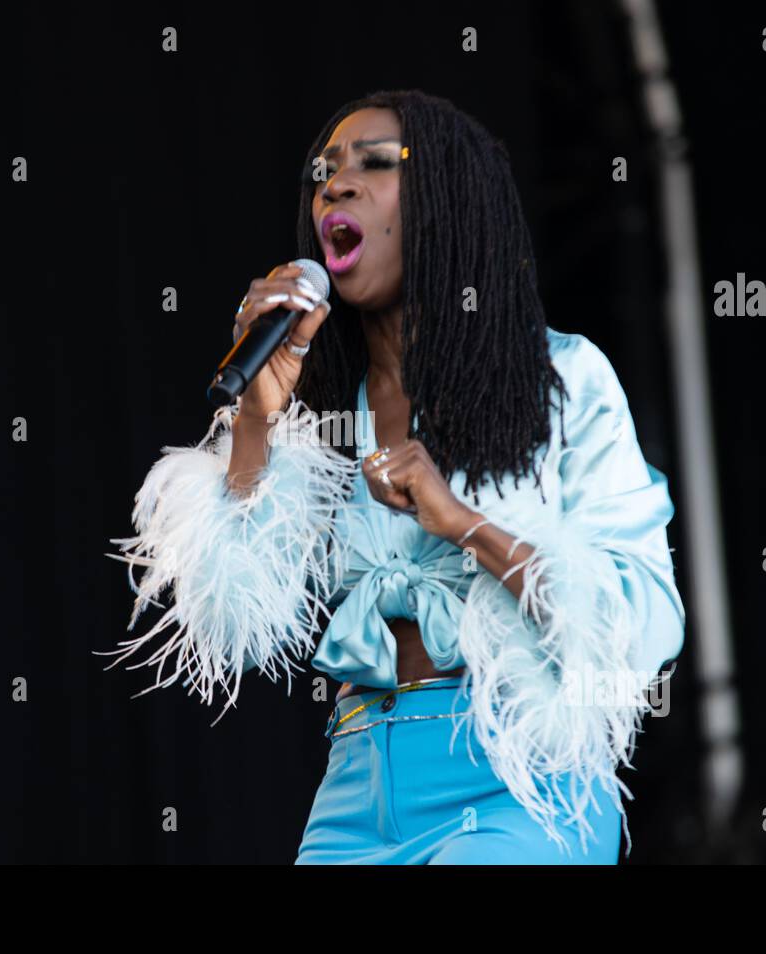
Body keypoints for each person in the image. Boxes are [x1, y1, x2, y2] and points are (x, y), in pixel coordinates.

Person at [104, 89, 685, 864]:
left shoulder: (561, 379)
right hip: (357, 789)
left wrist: (462, 521)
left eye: (374, 165)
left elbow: (643, 623)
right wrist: (256, 418)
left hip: (514, 775)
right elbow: (231, 624)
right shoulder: (317, 418)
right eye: (324, 172)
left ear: (449, 202)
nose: (334, 185)